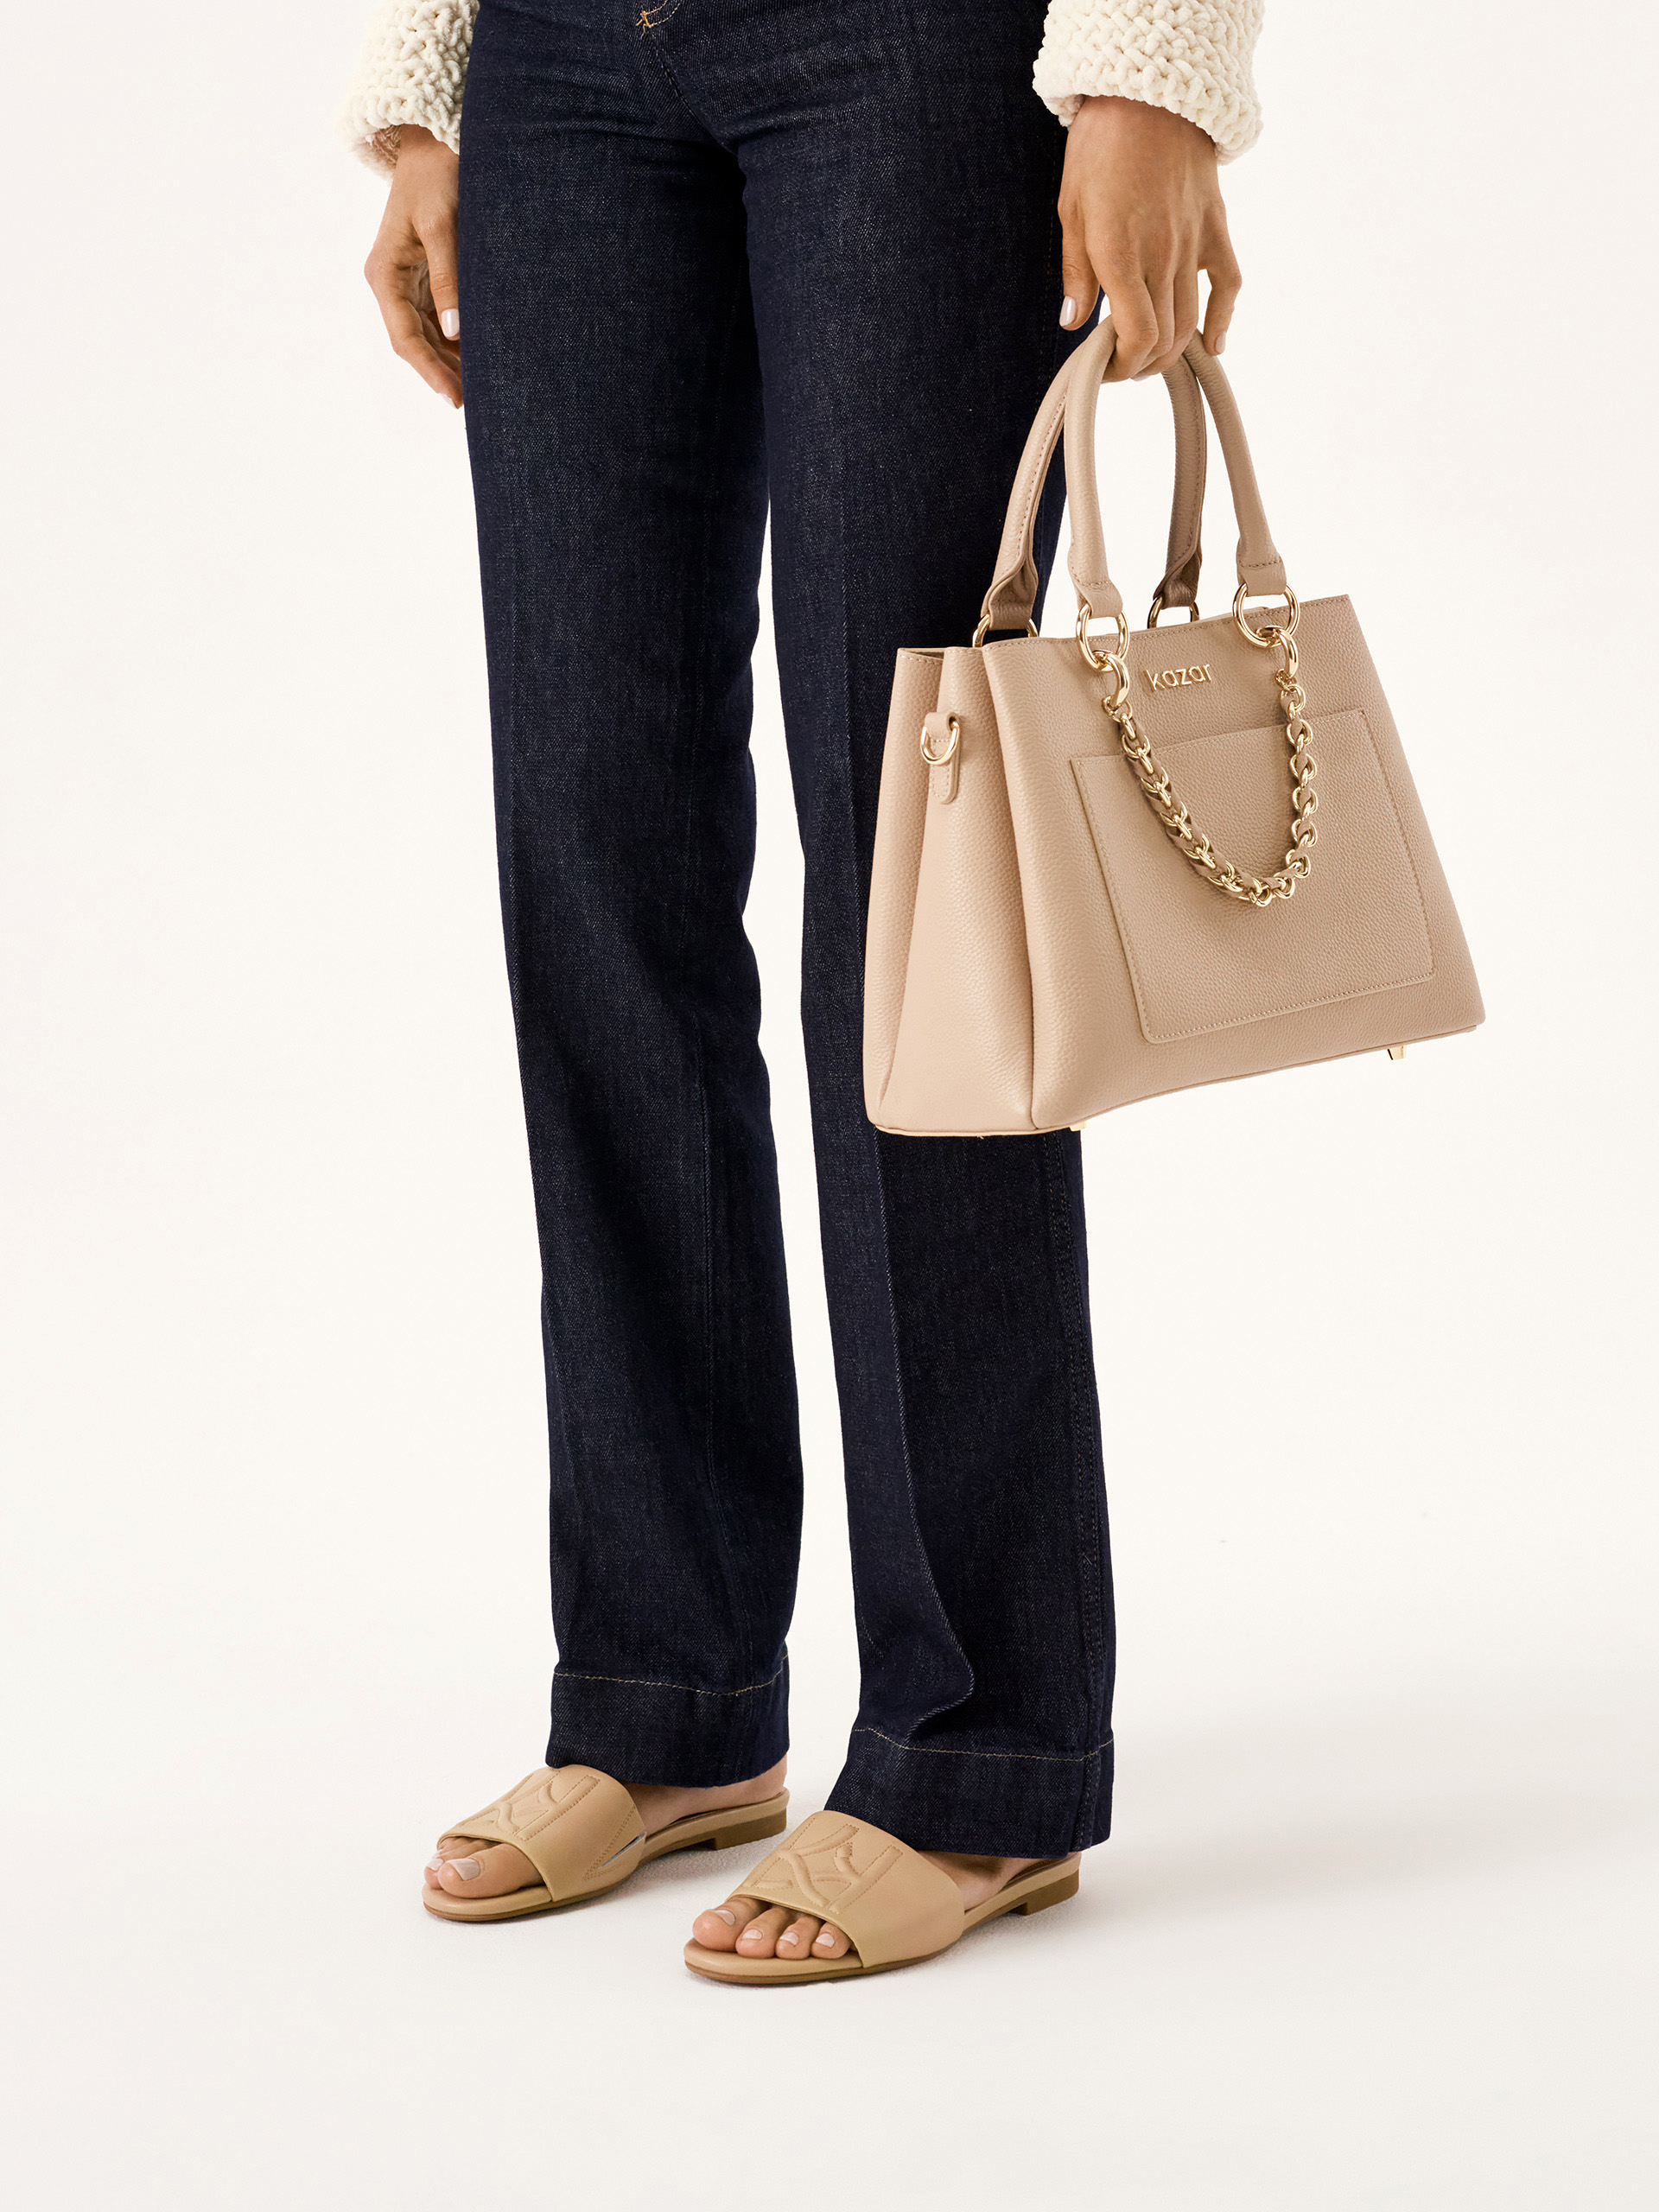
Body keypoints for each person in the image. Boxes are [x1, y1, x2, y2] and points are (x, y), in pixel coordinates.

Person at [341, 0, 1262, 1984]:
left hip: (903, 54)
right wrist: (432, 84)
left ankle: (981, 1745)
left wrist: (1151, 63)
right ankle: (666, 1691)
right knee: (593, 846)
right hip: (564, 70)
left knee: (922, 864)